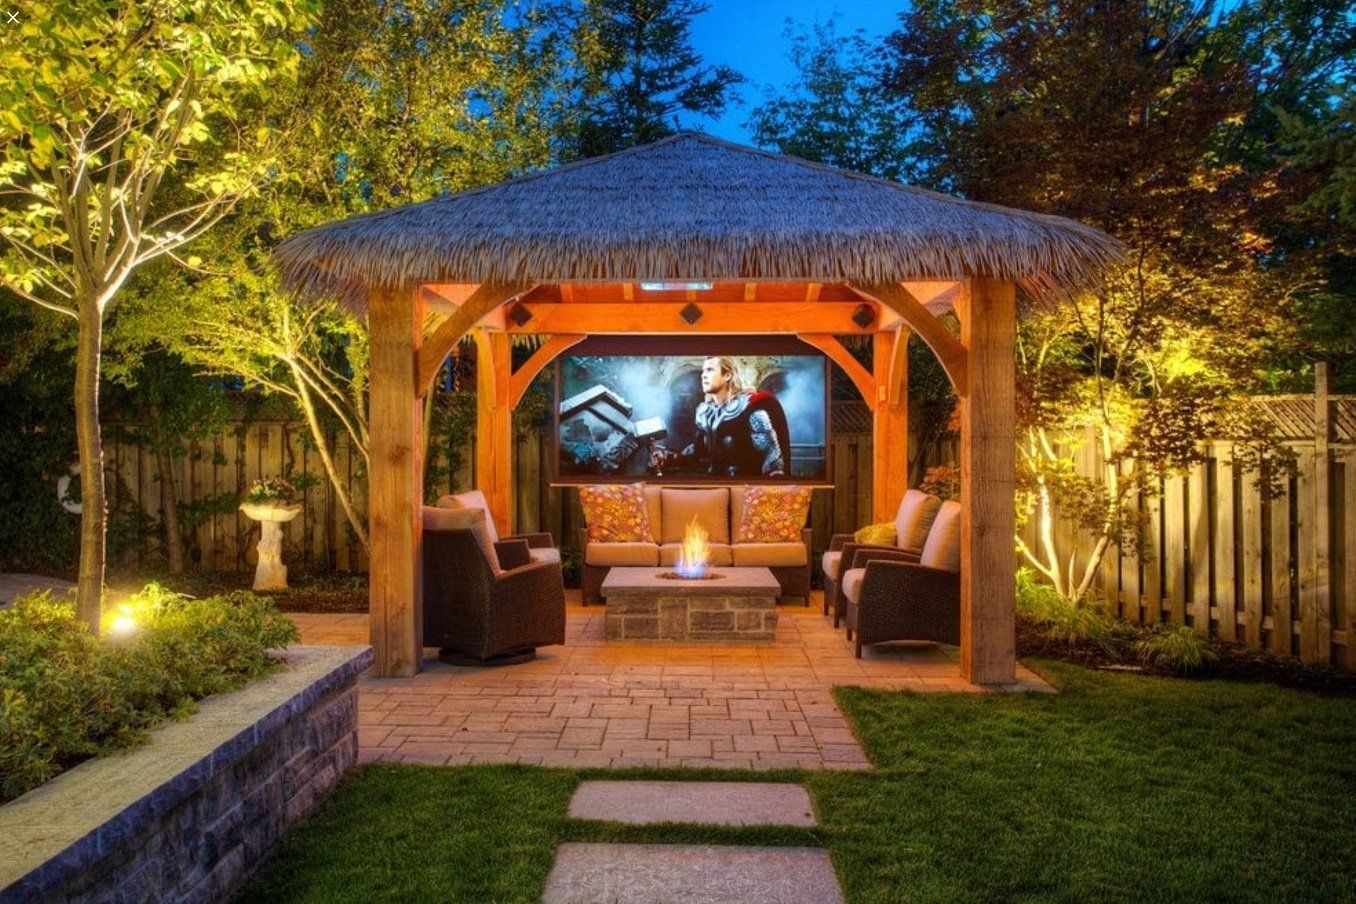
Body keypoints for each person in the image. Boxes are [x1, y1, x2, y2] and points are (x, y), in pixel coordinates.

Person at [654, 356, 790, 477]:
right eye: (703, 371)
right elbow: (698, 451)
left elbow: (772, 456)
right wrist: (669, 458)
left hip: (743, 488)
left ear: (727, 375)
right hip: (712, 487)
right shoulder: (706, 413)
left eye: (710, 370)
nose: (703, 375)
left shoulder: (749, 408)